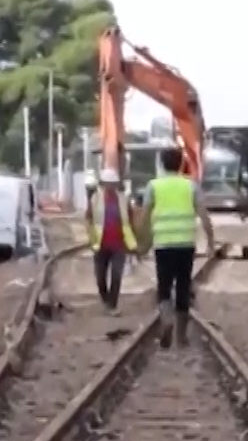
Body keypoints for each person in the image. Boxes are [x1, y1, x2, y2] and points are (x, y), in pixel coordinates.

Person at [138, 147, 215, 346]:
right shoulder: (191, 186)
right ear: (181, 163)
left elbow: (144, 218)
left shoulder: (153, 186)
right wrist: (211, 242)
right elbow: (204, 216)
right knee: (183, 288)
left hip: (163, 245)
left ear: (162, 164)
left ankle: (166, 320)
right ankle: (181, 338)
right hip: (185, 244)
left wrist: (141, 244)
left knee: (163, 288)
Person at [88, 168, 132, 312]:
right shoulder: (95, 199)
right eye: (108, 183)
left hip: (119, 244)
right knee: (100, 277)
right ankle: (105, 299)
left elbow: (130, 219)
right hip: (100, 244)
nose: (110, 186)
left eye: (113, 183)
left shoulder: (123, 199)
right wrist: (91, 235)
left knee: (116, 275)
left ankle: (112, 305)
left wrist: (132, 240)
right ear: (103, 184)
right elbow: (88, 217)